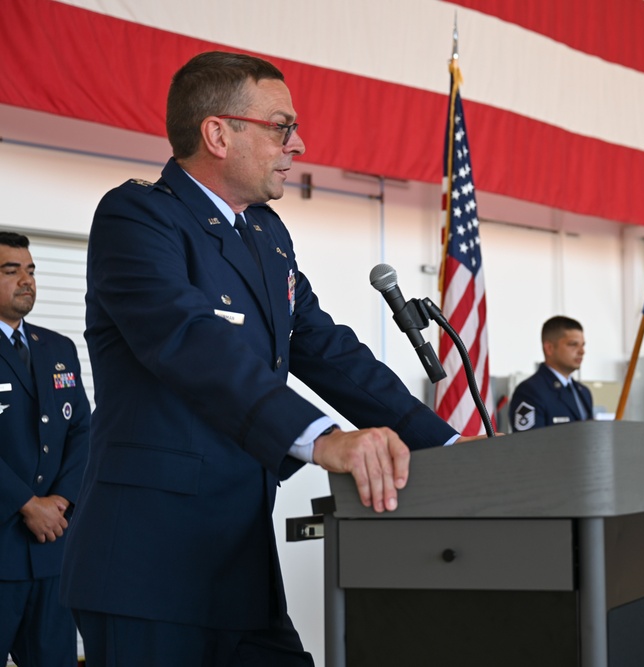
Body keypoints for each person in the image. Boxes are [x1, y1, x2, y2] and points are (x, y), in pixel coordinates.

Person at [61, 51, 465, 666]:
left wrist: (450, 447)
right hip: (148, 566)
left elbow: (327, 350)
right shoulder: (138, 216)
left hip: (239, 564)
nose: (297, 144)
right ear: (219, 133)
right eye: (282, 126)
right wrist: (320, 437)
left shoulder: (267, 235)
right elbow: (189, 339)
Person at [0, 231, 91, 667]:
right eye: (10, 270)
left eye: (31, 270)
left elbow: (83, 431)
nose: (26, 280)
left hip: (53, 548)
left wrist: (61, 499)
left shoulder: (57, 347)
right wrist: (25, 503)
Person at [509, 315, 592, 431]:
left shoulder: (583, 392)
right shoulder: (530, 392)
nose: (582, 351)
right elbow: (528, 444)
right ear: (549, 348)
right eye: (573, 344)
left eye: (582, 345)